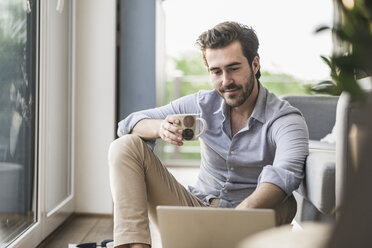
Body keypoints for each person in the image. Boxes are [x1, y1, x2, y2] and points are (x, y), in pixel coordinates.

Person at [108, 21, 309, 248]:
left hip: (251, 221)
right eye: (216, 71)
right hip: (198, 211)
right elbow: (128, 124)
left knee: (284, 202)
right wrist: (160, 127)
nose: (225, 81)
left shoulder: (286, 119)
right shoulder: (203, 104)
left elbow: (284, 175)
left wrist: (230, 222)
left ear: (254, 64)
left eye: (234, 68)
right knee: (124, 145)